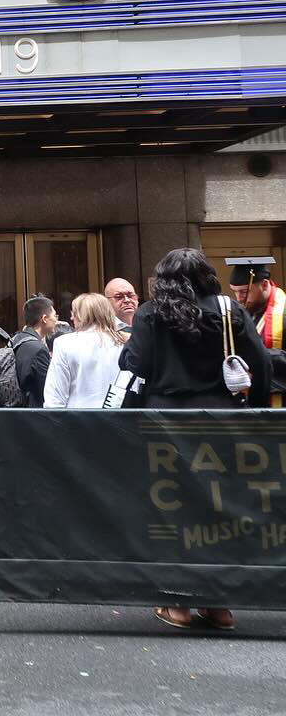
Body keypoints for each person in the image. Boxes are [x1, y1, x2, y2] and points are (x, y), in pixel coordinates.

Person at [121, 248, 273, 632]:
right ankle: (220, 606)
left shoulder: (150, 314)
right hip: (221, 423)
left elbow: (134, 366)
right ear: (207, 274)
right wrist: (253, 411)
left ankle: (178, 605)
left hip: (165, 424)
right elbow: (262, 363)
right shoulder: (228, 310)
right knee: (219, 513)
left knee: (171, 513)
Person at [44, 293, 128, 409]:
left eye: (74, 313)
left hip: (77, 419)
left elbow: (55, 395)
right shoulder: (125, 342)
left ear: (82, 315)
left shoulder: (64, 343)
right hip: (121, 416)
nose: (72, 318)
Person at [228, 255, 284, 351]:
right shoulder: (241, 313)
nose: (239, 299)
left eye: (244, 292)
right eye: (234, 291)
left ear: (265, 285)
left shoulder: (283, 313)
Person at [11, 295, 57, 408]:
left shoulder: (17, 338)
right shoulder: (38, 349)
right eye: (55, 315)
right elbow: (46, 390)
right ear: (44, 318)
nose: (57, 320)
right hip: (32, 414)